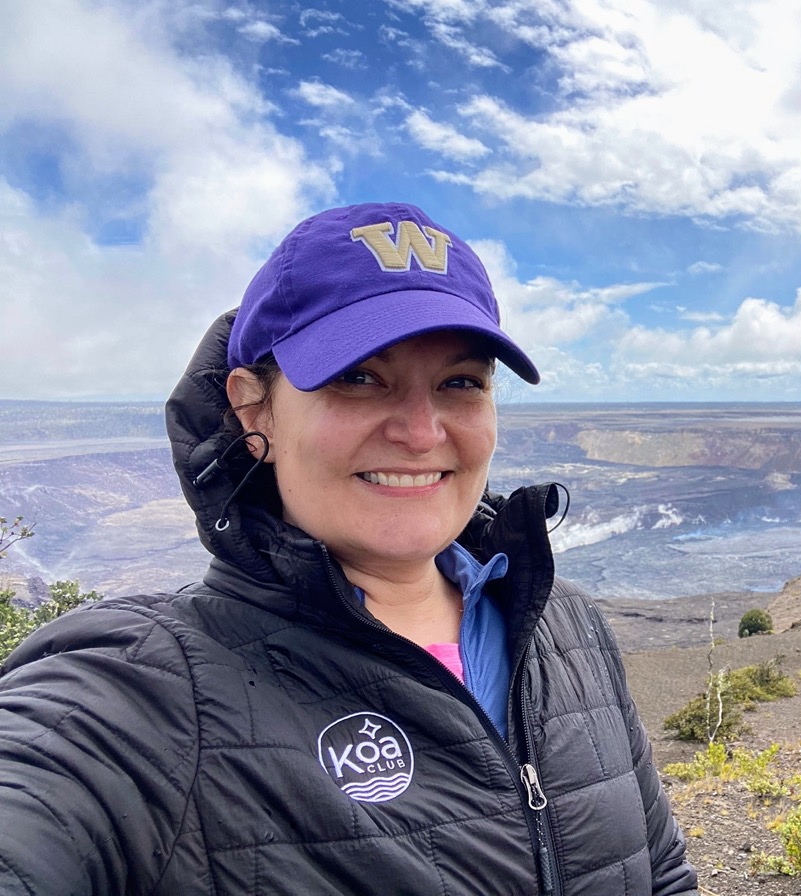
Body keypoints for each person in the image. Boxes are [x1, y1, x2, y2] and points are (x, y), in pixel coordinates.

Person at [0, 202, 699, 895]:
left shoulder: (564, 628)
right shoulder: (145, 692)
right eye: (359, 377)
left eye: (461, 382)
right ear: (253, 409)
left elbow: (660, 872)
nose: (422, 433)